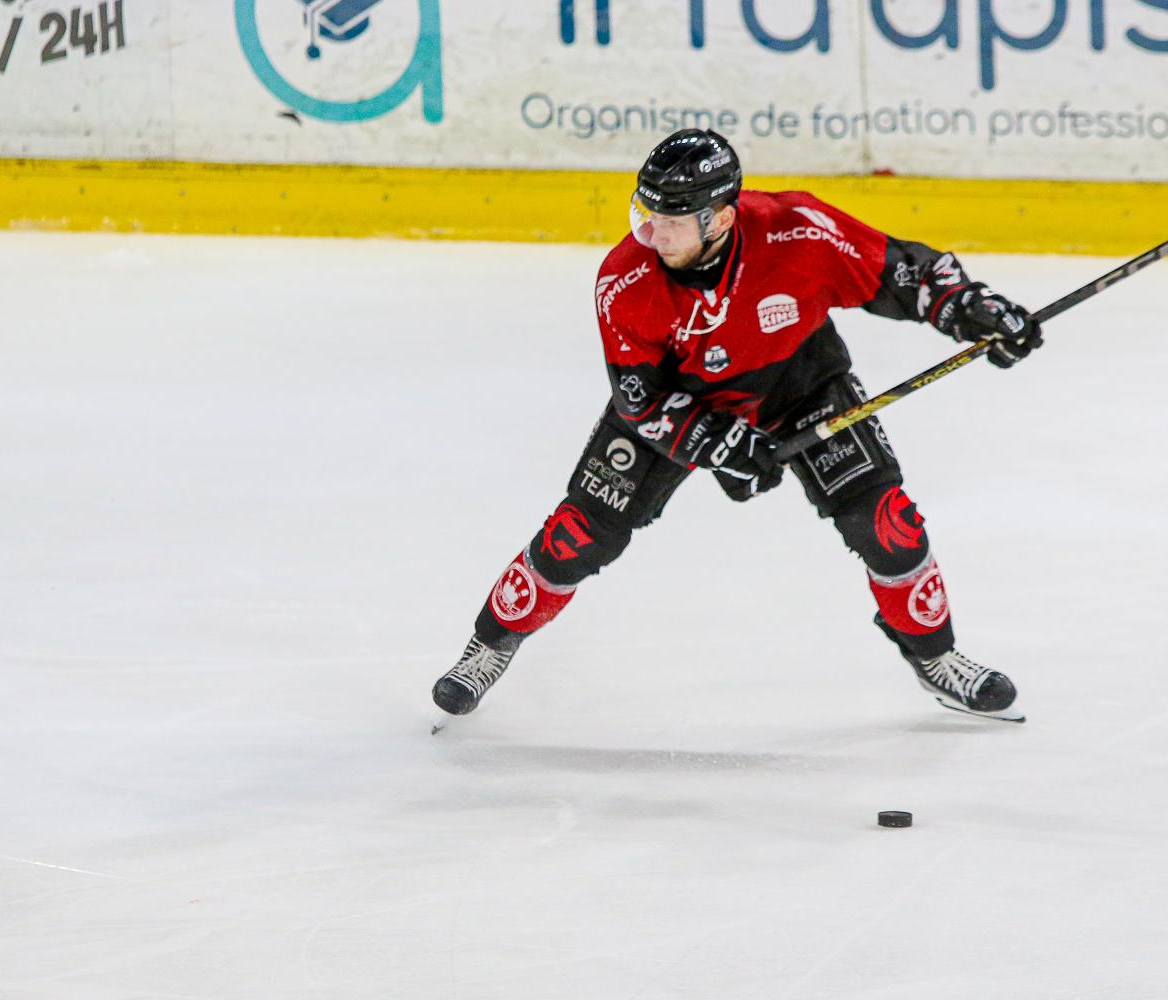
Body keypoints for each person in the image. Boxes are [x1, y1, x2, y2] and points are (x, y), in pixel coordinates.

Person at [431, 129, 1042, 724]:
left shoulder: (799, 230)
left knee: (887, 524)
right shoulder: (626, 279)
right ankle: (490, 644)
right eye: (645, 212)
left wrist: (971, 308)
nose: (651, 232)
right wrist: (717, 443)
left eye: (670, 220)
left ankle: (936, 659)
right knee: (579, 534)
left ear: (720, 219)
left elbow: (905, 273)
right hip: (682, 399)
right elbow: (641, 400)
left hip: (799, 381)